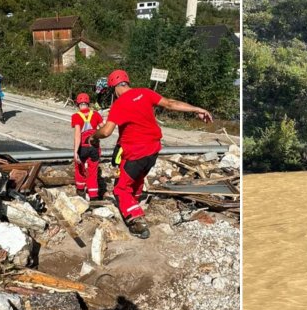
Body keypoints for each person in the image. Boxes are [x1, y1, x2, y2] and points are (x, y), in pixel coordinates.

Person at [88, 69, 213, 239]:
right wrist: (196, 109)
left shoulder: (119, 104)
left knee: (120, 189)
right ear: (126, 82)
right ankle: (136, 201)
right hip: (153, 149)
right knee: (138, 177)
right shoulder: (145, 93)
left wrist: (93, 137)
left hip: (135, 152)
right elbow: (170, 103)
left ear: (114, 88)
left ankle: (136, 220)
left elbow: (106, 131)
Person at [72, 92, 104, 200]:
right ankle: (93, 196)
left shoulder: (76, 116)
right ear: (88, 103)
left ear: (78, 104)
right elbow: (103, 129)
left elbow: (77, 134)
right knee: (93, 172)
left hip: (83, 147)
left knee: (79, 168)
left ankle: (80, 190)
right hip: (94, 147)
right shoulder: (96, 114)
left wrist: (76, 151)